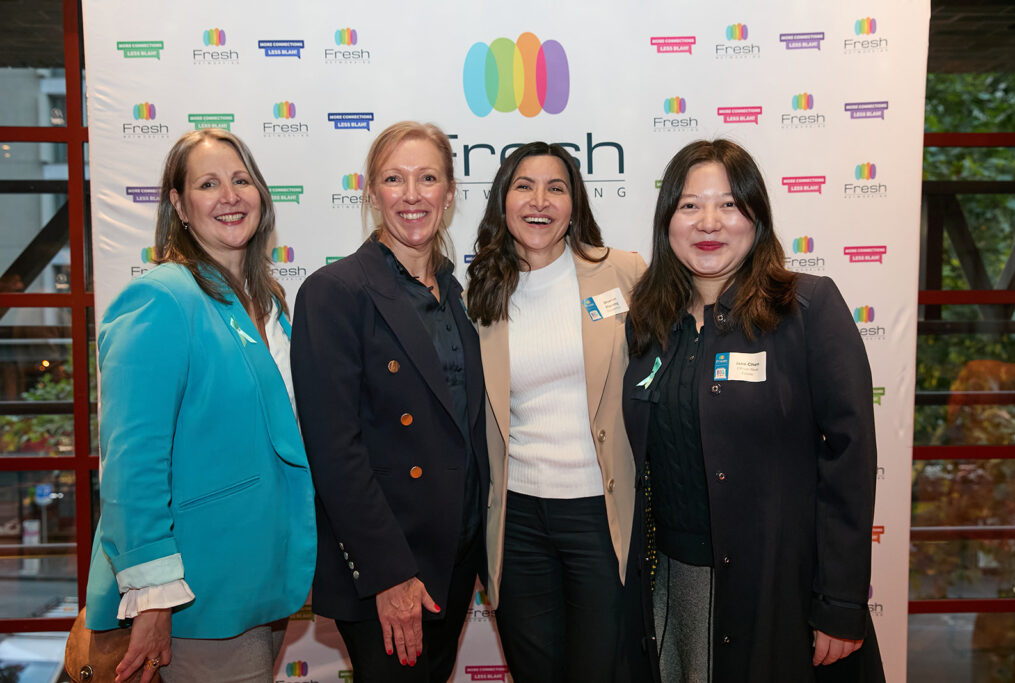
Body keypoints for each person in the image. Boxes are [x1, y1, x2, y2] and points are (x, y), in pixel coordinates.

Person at [621, 139, 886, 682]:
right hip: (670, 581)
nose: (709, 222)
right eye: (690, 205)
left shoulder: (807, 309)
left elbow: (850, 460)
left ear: (756, 217)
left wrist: (839, 602)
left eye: (729, 204)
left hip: (776, 588)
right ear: (667, 221)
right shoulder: (649, 322)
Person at [85, 128, 316, 683]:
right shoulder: (162, 297)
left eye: (241, 180)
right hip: (193, 597)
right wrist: (153, 597)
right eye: (208, 184)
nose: (230, 196)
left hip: (258, 581)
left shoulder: (266, 301)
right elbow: (133, 461)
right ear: (179, 205)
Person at [290, 121, 489, 683]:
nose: (411, 194)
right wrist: (389, 574)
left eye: (427, 178)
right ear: (372, 193)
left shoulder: (457, 295)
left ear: (449, 194)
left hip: (455, 557)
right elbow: (335, 451)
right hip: (393, 567)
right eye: (394, 179)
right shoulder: (335, 292)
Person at [466, 142, 645, 682]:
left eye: (556, 188)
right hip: (517, 520)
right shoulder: (483, 290)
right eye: (524, 186)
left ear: (574, 204)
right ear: (503, 200)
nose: (539, 201)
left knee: (601, 669)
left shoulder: (622, 272)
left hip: (600, 515)